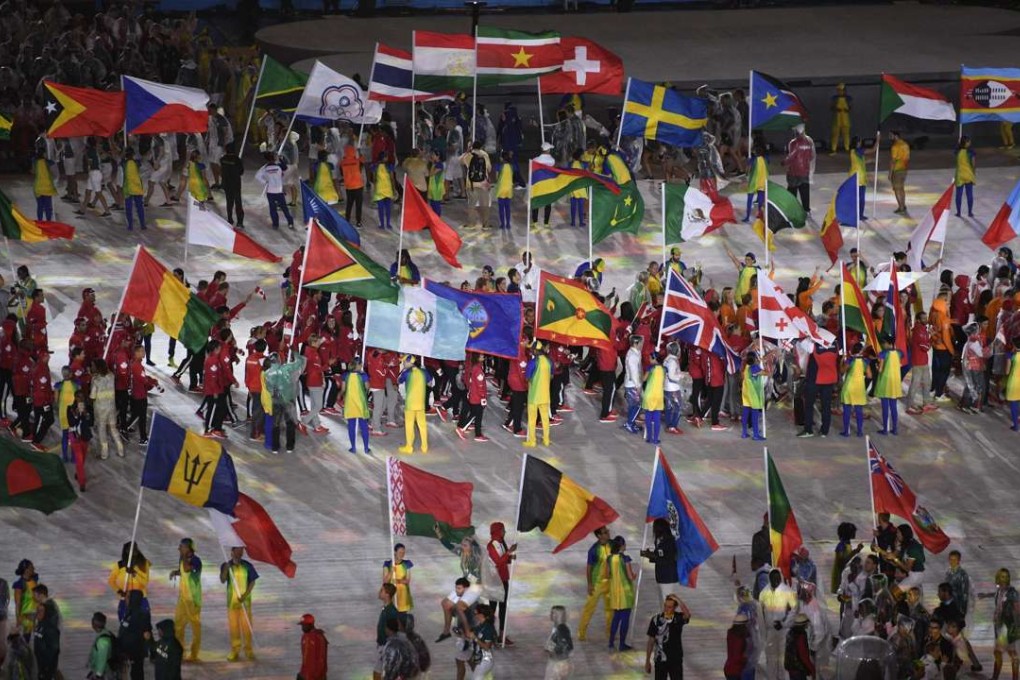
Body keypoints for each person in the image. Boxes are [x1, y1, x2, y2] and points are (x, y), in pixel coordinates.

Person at [978, 568, 1020, 680]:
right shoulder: (1000, 590)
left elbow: (1017, 608)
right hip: (1000, 626)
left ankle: (997, 677)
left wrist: (1016, 627)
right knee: (1009, 652)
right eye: (1002, 576)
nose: (1005, 579)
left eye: (1006, 576)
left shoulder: (1012, 592)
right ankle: (1006, 677)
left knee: (1001, 652)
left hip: (1007, 626)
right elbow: (996, 595)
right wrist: (985, 595)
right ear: (998, 578)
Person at [219, 546, 258, 662]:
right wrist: (226, 569)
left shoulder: (247, 566)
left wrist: (245, 595)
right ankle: (235, 650)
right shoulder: (226, 565)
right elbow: (222, 579)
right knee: (234, 628)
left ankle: (248, 650)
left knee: (247, 628)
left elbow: (252, 581)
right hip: (232, 603)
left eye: (241, 550)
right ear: (231, 552)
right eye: (237, 550)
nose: (240, 552)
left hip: (245, 603)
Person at [760, 568, 797, 680]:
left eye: (777, 578)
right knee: (771, 659)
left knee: (783, 659)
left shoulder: (787, 591)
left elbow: (794, 609)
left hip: (783, 631)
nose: (775, 580)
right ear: (769, 579)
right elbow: (761, 612)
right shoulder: (764, 593)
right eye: (773, 578)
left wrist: (784, 623)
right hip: (770, 631)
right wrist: (763, 631)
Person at [169, 537, 202, 662]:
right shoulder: (182, 559)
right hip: (183, 598)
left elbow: (188, 569)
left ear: (188, 548)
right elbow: (183, 571)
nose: (179, 549)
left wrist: (183, 557)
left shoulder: (196, 561)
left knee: (195, 627)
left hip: (193, 600)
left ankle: (194, 654)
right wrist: (175, 572)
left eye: (181, 547)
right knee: (178, 626)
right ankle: (180, 652)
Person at [482, 522, 515, 645]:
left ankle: (501, 635)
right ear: (497, 531)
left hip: (503, 579)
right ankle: (489, 635)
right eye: (503, 530)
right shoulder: (491, 546)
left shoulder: (501, 543)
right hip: (495, 581)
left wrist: (510, 557)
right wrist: (508, 553)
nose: (504, 532)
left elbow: (504, 561)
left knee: (502, 609)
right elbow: (497, 562)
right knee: (492, 609)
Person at [645, 594, 691, 680]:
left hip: (675, 659)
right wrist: (647, 661)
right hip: (660, 659)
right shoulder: (656, 620)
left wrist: (678, 599)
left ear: (674, 608)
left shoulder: (678, 618)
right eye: (665, 606)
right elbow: (651, 641)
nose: (666, 609)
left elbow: (687, 615)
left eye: (669, 607)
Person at [798, 344, 837, 438]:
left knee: (809, 405)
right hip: (829, 379)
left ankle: (808, 430)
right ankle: (824, 431)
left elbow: (802, 352)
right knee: (826, 407)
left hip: (814, 379)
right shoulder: (835, 344)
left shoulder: (812, 345)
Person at [606, 535, 636, 651]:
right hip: (625, 592)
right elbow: (630, 576)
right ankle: (622, 644)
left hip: (614, 592)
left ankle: (611, 643)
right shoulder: (625, 559)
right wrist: (634, 576)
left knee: (616, 618)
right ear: (622, 545)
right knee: (625, 619)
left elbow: (607, 575)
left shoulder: (609, 559)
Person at [398, 356, 433, 454]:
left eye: (404, 362)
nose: (403, 364)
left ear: (410, 362)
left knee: (409, 425)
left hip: (410, 404)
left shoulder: (406, 373)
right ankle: (424, 447)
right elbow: (430, 384)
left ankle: (409, 447)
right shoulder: (423, 372)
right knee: (422, 426)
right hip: (420, 404)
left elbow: (399, 381)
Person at [641, 518, 679, 602]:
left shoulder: (669, 541)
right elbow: (659, 555)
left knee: (668, 600)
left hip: (668, 575)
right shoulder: (658, 540)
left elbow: (667, 558)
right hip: (661, 575)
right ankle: (664, 615)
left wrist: (651, 556)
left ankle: (669, 615)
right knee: (662, 600)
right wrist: (650, 555)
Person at [255, 150, 293, 229]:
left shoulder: (265, 168)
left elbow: (257, 176)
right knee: (284, 208)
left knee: (273, 209)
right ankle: (290, 222)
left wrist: (265, 182)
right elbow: (285, 167)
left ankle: (275, 224)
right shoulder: (279, 166)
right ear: (274, 158)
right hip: (279, 191)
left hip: (270, 191)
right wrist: (281, 159)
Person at [524, 341, 553, 448]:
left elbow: (527, 378)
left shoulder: (532, 362)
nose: (531, 351)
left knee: (532, 420)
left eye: (532, 349)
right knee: (545, 419)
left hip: (533, 396)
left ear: (535, 351)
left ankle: (532, 441)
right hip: (545, 396)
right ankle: (546, 440)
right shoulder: (549, 361)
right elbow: (551, 376)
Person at [118, 590, 151, 680]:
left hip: (135, 652)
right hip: (130, 651)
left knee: (137, 673)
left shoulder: (141, 615)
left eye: (128, 597)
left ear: (134, 599)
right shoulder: (130, 612)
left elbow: (147, 634)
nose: (126, 599)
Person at [341, 357, 371, 453]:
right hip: (361, 404)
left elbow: (343, 389)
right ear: (358, 365)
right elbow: (367, 388)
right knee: (364, 426)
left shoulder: (345, 375)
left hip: (350, 404)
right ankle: (366, 448)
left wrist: (340, 395)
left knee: (351, 425)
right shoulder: (363, 376)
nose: (362, 366)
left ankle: (353, 447)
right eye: (361, 365)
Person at [373, 584, 403, 680]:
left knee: (378, 672)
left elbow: (396, 628)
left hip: (386, 646)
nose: (379, 592)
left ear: (387, 594)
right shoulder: (386, 608)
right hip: (383, 645)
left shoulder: (391, 611)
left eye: (382, 590)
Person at [875, 335, 903, 435]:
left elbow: (880, 369)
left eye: (884, 343)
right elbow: (899, 364)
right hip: (895, 382)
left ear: (888, 343)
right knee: (893, 407)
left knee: (885, 407)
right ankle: (895, 429)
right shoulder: (899, 353)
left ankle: (885, 429)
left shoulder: (883, 354)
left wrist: (877, 366)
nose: (883, 345)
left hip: (885, 382)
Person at [839, 343, 869, 437]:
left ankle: (846, 432)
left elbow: (842, 371)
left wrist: (841, 361)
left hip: (849, 386)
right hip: (859, 387)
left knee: (847, 410)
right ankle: (860, 432)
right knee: (859, 411)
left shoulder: (850, 360)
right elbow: (869, 375)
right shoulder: (865, 361)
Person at [461, 140, 492, 229]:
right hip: (483, 183)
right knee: (485, 204)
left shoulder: (469, 155)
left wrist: (467, 151)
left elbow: (461, 162)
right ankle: (485, 224)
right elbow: (489, 169)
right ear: (481, 147)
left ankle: (471, 223)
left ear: (472, 147)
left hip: (471, 184)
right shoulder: (485, 155)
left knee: (471, 205)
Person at [785, 124, 815, 212]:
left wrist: (784, 162)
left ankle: (791, 209)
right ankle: (806, 209)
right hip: (805, 172)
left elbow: (791, 156)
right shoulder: (809, 142)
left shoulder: (793, 143)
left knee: (792, 192)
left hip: (794, 172)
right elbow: (811, 156)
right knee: (805, 192)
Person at [32, 584, 60, 680]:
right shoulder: (45, 608)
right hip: (42, 657)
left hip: (46, 660)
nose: (33, 598)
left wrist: (47, 664)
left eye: (35, 595)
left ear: (41, 595)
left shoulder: (49, 609)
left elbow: (53, 645)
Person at [66, 389, 91, 492]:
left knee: (83, 459)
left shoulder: (88, 408)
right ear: (75, 398)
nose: (81, 399)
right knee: (79, 460)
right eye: (79, 397)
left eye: (82, 397)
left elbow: (91, 422)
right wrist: (76, 415)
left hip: (85, 437)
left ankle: (78, 472)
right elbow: (71, 423)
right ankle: (82, 482)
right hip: (75, 437)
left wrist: (86, 414)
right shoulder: (70, 409)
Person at [740, 351, 765, 441]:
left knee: (745, 413)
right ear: (755, 359)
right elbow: (767, 373)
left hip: (745, 392)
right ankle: (756, 434)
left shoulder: (745, 367)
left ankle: (744, 433)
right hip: (753, 393)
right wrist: (763, 362)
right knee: (755, 414)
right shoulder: (755, 368)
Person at [467, 604, 497, 679]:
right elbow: (472, 637)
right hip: (479, 659)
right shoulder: (480, 626)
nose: (475, 615)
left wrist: (475, 638)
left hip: (485, 660)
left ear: (481, 615)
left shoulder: (488, 628)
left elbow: (487, 647)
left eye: (476, 613)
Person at [383, 544, 414, 614]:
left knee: (403, 617)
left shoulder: (407, 563)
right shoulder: (387, 564)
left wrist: (398, 581)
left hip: (403, 595)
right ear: (395, 552)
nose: (402, 554)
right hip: (392, 595)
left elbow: (407, 580)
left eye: (403, 552)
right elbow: (385, 581)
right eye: (400, 552)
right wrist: (391, 571)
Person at [544, 605, 573, 680]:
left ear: (557, 616)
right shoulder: (559, 628)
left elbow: (564, 647)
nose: (550, 615)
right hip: (562, 662)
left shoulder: (560, 630)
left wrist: (550, 651)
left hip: (557, 663)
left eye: (553, 613)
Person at [622, 334, 643, 434]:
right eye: (641, 343)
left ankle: (631, 422)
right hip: (632, 384)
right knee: (637, 405)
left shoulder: (635, 353)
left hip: (631, 383)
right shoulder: (632, 355)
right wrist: (638, 386)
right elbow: (634, 371)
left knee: (632, 405)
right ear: (636, 343)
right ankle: (630, 423)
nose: (642, 344)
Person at [220, 141, 244, 228]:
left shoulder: (223, 159)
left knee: (229, 202)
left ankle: (230, 218)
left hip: (226, 183)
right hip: (236, 183)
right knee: (238, 202)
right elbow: (241, 171)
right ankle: (240, 221)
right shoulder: (237, 160)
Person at [297, 613, 328, 680]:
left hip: (315, 676)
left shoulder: (318, 637)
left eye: (304, 625)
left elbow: (321, 659)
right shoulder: (305, 637)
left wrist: (316, 676)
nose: (302, 628)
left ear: (310, 624)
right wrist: (302, 672)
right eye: (302, 625)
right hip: (304, 674)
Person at [784, 613, 814, 680]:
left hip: (790, 667)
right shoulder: (801, 636)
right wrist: (811, 669)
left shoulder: (790, 632)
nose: (807, 625)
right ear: (803, 624)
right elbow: (803, 656)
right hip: (798, 669)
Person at [341, 145, 365, 227]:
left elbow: (341, 173)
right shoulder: (357, 161)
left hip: (349, 187)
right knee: (358, 205)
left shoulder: (343, 163)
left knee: (349, 204)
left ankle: (347, 219)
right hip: (358, 186)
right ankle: (358, 222)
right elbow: (363, 160)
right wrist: (359, 152)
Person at [87, 612, 116, 680]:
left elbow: (102, 658)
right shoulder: (104, 633)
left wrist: (98, 674)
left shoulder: (102, 641)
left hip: (103, 672)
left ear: (95, 624)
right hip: (100, 670)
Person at [372, 150, 396, 230]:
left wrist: (375, 187)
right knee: (388, 208)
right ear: (384, 158)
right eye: (387, 156)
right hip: (388, 189)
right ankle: (388, 224)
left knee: (381, 208)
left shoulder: (375, 166)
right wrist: (393, 189)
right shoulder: (390, 166)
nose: (388, 158)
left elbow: (374, 179)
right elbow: (392, 179)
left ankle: (382, 225)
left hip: (379, 190)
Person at [889, 130, 910, 215]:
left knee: (897, 189)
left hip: (897, 170)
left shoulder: (895, 147)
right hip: (904, 169)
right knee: (901, 188)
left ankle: (901, 207)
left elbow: (893, 161)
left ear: (895, 135)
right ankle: (903, 205)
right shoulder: (905, 144)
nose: (889, 137)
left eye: (891, 135)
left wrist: (890, 173)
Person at [954, 135, 976, 218]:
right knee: (969, 194)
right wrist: (974, 173)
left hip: (959, 175)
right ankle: (970, 212)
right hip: (969, 175)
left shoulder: (957, 152)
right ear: (966, 143)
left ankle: (958, 212)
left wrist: (958, 143)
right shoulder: (971, 152)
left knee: (958, 195)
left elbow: (956, 149)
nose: (970, 142)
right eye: (968, 141)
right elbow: (973, 164)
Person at [829, 83, 852, 153]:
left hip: (845, 119)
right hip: (837, 119)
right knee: (835, 135)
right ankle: (833, 149)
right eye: (839, 90)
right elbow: (831, 107)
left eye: (842, 90)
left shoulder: (848, 98)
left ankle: (847, 148)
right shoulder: (834, 98)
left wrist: (847, 109)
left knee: (846, 135)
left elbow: (851, 107)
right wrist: (836, 109)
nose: (841, 92)